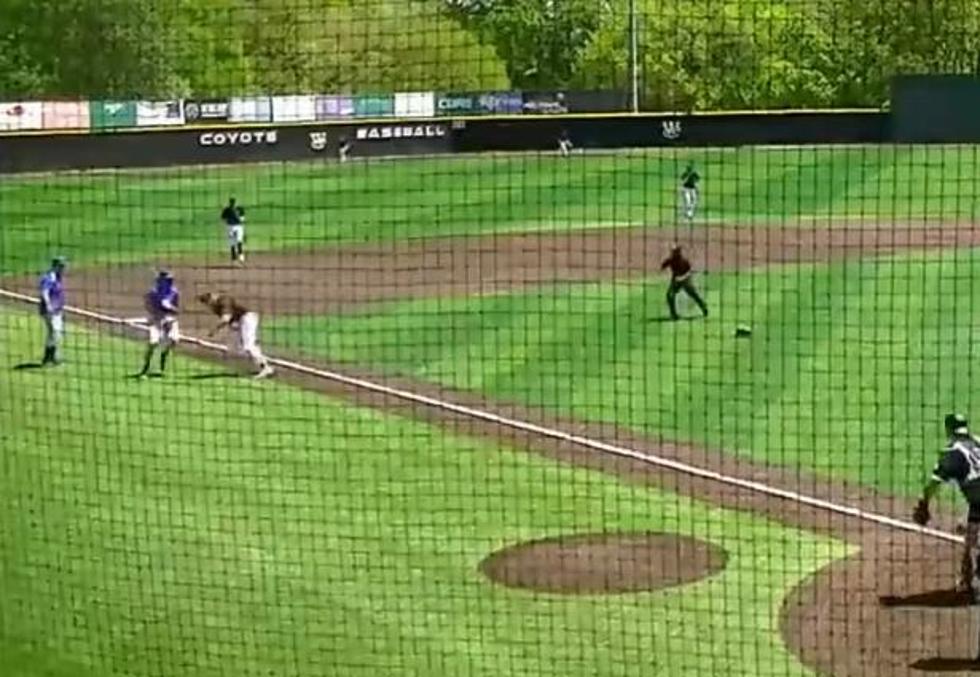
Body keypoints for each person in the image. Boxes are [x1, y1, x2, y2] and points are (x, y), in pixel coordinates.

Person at [913, 413, 980, 596]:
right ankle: (966, 581)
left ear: (948, 429)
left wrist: (923, 503)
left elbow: (934, 483)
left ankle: (969, 580)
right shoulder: (977, 442)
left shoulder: (952, 454)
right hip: (976, 504)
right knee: (968, 531)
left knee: (968, 533)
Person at [197, 292, 275, 379]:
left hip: (247, 319)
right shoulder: (216, 306)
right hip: (239, 323)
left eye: (207, 303)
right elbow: (230, 320)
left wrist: (214, 330)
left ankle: (266, 368)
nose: (208, 306)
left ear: (212, 298)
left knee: (248, 346)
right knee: (237, 348)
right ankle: (255, 364)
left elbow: (226, 319)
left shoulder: (224, 300)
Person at [138, 271, 180, 378]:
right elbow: (149, 307)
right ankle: (145, 368)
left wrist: (170, 308)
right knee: (153, 342)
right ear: (160, 281)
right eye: (167, 280)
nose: (170, 282)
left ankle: (163, 356)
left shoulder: (174, 292)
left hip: (170, 320)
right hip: (156, 320)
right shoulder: (152, 293)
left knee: (174, 340)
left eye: (170, 280)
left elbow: (176, 310)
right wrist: (160, 309)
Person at [661, 245, 708, 321]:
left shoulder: (684, 261)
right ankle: (674, 315)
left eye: (675, 252)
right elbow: (663, 265)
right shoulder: (671, 260)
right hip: (676, 281)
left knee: (693, 294)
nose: (673, 253)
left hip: (685, 281)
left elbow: (689, 271)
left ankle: (703, 307)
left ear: (678, 252)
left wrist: (683, 277)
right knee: (670, 295)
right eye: (673, 252)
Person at [37, 256, 67, 366]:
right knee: (55, 332)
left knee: (53, 333)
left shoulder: (58, 277)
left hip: (57, 309)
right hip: (49, 310)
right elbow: (44, 291)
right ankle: (51, 357)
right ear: (56, 266)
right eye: (62, 266)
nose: (64, 268)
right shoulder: (49, 277)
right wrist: (49, 304)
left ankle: (49, 357)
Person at [221, 197, 246, 265]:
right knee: (232, 244)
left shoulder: (240, 209)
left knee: (239, 241)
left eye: (234, 202)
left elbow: (243, 218)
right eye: (232, 202)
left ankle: (241, 257)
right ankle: (234, 260)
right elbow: (223, 218)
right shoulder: (227, 210)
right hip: (230, 227)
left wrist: (239, 219)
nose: (233, 203)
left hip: (238, 227)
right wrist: (228, 223)